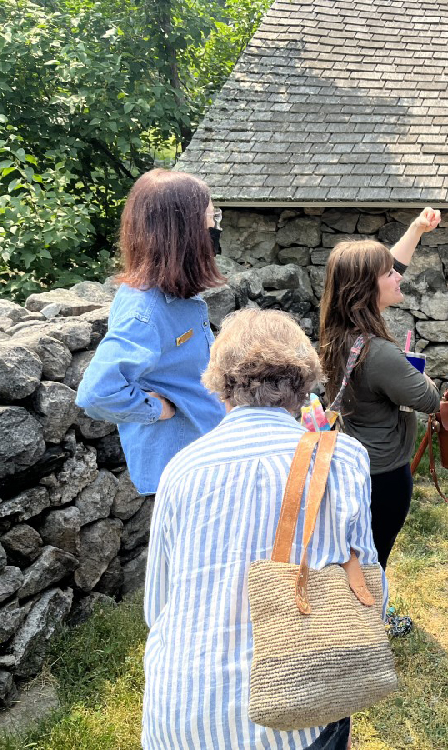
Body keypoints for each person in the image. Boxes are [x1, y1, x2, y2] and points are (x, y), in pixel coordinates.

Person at [143, 308, 378, 749]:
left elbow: (158, 608)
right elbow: (363, 584)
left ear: (220, 385)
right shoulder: (344, 458)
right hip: (297, 713)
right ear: (303, 383)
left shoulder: (181, 469)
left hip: (180, 715)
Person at [76, 168, 227, 495]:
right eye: (210, 216)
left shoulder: (177, 292)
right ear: (183, 230)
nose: (215, 225)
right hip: (182, 473)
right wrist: (156, 409)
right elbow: (97, 392)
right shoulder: (145, 308)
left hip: (202, 456)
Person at [318, 208, 441, 569]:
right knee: (375, 558)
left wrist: (416, 231)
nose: (398, 277)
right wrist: (416, 373)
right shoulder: (381, 353)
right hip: (385, 476)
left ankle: (361, 611)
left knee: (358, 553)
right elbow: (427, 399)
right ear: (366, 288)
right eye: (389, 274)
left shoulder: (338, 332)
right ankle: (370, 618)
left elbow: (391, 269)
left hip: (356, 463)